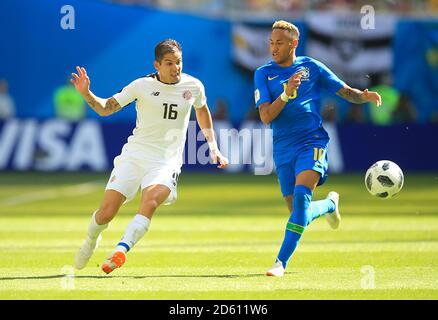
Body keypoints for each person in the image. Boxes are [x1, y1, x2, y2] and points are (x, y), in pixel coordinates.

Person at [71, 39, 229, 274]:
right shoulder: (141, 86)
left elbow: (202, 109)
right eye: (169, 63)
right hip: (134, 156)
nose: (175, 68)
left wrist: (213, 147)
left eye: (178, 62)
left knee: (151, 200)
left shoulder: (193, 86)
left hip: (166, 161)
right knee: (106, 214)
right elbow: (105, 108)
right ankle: (90, 241)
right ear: (157, 64)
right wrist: (86, 94)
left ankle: (121, 250)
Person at [254, 20, 381, 277]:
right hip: (283, 147)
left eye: (279, 43)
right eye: (271, 42)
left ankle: (280, 263)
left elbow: (344, 91)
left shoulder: (311, 67)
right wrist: (286, 94)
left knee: (301, 200)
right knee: (298, 213)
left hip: (312, 141)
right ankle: (329, 205)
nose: (274, 47)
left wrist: (363, 96)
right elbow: (266, 116)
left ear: (293, 44)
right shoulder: (263, 73)